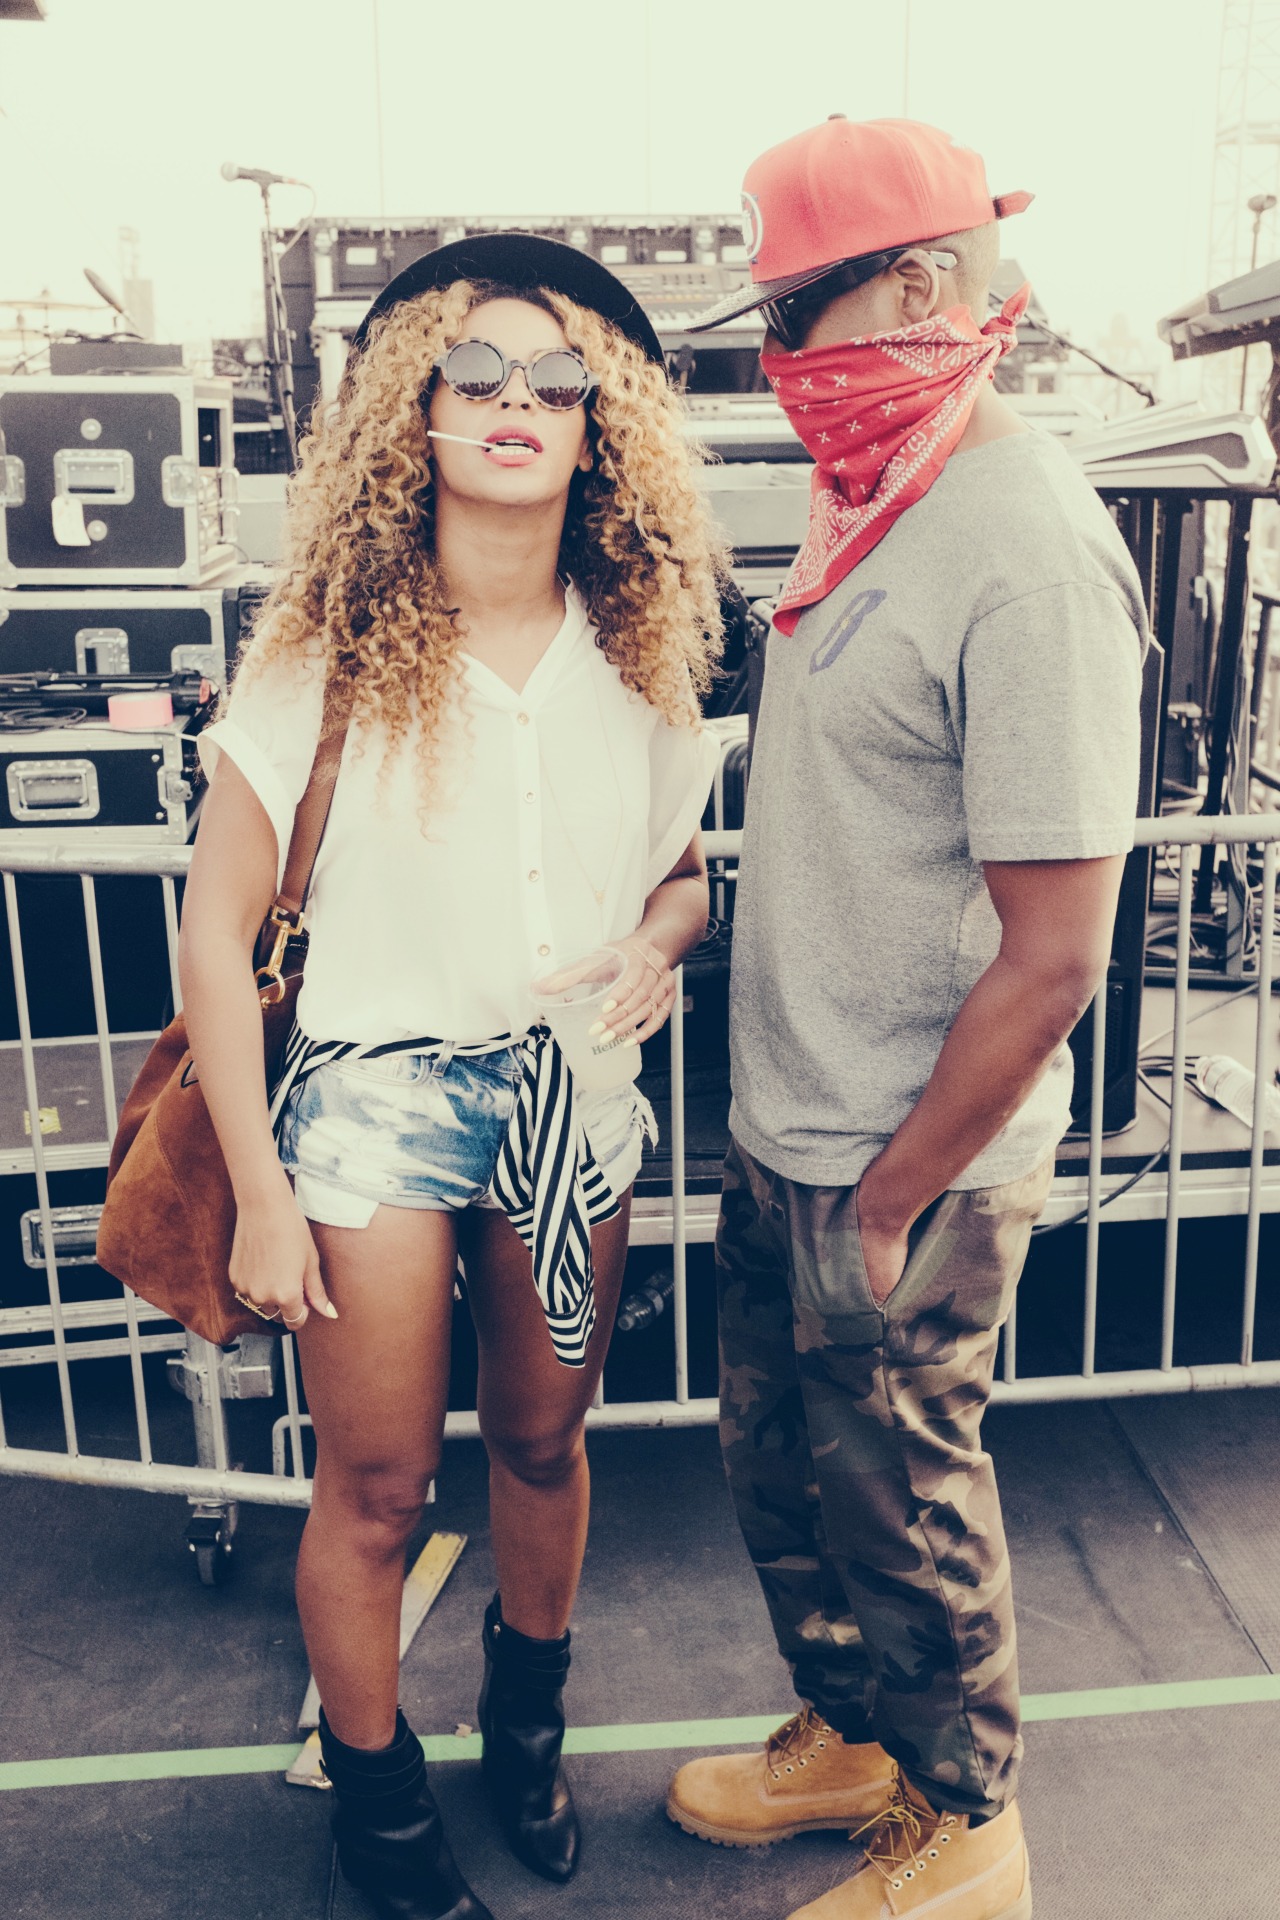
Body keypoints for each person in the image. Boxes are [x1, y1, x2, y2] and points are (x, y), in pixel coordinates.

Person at [177, 233, 724, 1920]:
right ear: (411, 416)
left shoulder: (643, 654)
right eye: (472, 374)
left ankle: (529, 1730)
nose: (511, 403)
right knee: (380, 1484)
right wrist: (259, 1188)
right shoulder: (317, 655)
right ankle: (380, 1804)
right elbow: (216, 935)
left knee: (548, 1451)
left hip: (572, 1101)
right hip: (374, 1106)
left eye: (553, 383)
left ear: (599, 426)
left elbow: (679, 877)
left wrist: (664, 940)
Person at [665, 118, 1148, 1920]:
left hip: (903, 1157)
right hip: (796, 1118)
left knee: (908, 1505)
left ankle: (967, 1829)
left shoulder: (1022, 545)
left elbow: (1056, 951)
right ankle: (856, 1734)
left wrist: (892, 1196)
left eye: (804, 307)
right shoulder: (877, 489)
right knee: (788, 1471)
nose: (781, 352)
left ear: (930, 288)